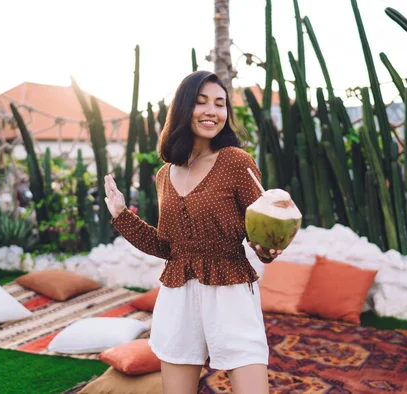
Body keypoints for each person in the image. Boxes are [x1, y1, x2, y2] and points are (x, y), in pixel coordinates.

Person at [104, 70, 283, 394]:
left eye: (220, 103)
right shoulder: (164, 174)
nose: (212, 111)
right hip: (178, 291)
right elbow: (167, 247)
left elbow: (262, 226)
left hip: (230, 287)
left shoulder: (235, 162)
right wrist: (120, 215)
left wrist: (267, 249)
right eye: (202, 103)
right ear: (184, 109)